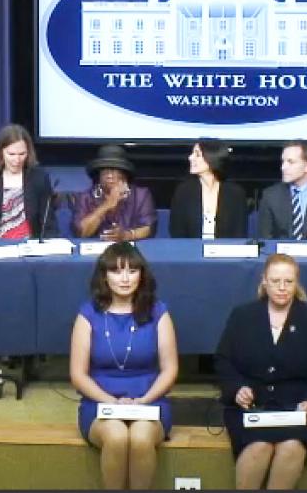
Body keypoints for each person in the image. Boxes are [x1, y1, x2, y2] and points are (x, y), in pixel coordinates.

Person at [215, 253, 307, 489]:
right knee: (258, 447)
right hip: (252, 407)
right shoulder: (242, 316)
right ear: (264, 281)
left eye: (288, 282)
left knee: (291, 447)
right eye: (275, 281)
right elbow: (223, 360)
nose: (282, 288)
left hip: (298, 408)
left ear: (297, 283)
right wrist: (237, 389)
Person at [69, 242, 178, 489]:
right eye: (117, 271)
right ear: (104, 277)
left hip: (149, 402)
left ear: (142, 274)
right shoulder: (88, 314)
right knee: (117, 437)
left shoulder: (158, 312)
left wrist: (144, 400)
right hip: (100, 403)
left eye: (132, 270)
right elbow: (78, 375)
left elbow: (170, 369)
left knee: (140, 438)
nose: (125, 278)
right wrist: (111, 402)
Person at [0, 124, 54, 239]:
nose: (17, 160)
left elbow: (49, 224)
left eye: (22, 154)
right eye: (11, 154)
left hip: (31, 247)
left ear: (28, 153)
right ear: (1, 152)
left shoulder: (39, 179)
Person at [73, 145, 156, 241]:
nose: (109, 175)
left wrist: (126, 235)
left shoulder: (141, 195)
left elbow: (148, 228)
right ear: (98, 174)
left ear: (124, 173)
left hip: (130, 249)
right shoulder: (86, 197)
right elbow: (82, 233)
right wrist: (107, 205)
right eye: (104, 170)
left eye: (114, 170)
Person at [169, 139, 248, 239]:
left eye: (197, 154)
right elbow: (177, 234)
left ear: (211, 158)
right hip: (190, 252)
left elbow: (239, 234)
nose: (190, 158)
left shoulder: (235, 194)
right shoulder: (183, 192)